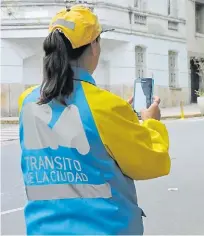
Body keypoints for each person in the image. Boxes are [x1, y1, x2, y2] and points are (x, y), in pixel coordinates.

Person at [18, 4, 171, 235]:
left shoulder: (26, 102)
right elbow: (153, 162)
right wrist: (152, 122)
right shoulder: (105, 106)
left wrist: (119, 117)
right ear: (93, 47)